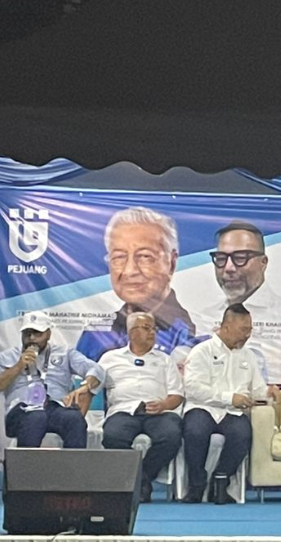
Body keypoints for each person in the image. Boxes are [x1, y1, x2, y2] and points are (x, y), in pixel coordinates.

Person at [189, 221, 281, 385]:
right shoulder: (203, 318)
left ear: (263, 263)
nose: (229, 268)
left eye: (240, 258)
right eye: (221, 258)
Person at [77, 206, 196, 360]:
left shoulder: (194, 332)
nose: (129, 270)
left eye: (145, 256)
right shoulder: (94, 334)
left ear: (171, 263)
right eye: (119, 257)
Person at [181, 303, 266, 503]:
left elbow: (257, 389)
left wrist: (269, 393)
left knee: (242, 435)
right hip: (203, 407)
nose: (247, 335)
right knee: (195, 431)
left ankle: (221, 481)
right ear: (226, 327)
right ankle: (196, 485)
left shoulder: (248, 356)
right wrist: (229, 398)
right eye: (243, 330)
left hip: (233, 413)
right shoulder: (201, 351)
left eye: (250, 330)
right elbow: (193, 388)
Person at [98, 311, 184, 502]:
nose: (152, 333)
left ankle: (139, 479)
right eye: (146, 328)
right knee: (113, 437)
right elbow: (93, 383)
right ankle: (141, 482)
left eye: (153, 329)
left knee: (171, 436)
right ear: (131, 333)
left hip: (159, 412)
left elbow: (177, 395)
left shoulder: (165, 360)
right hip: (123, 411)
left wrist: (163, 405)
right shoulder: (109, 358)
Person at [0, 311, 104, 448]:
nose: (31, 338)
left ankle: (74, 468)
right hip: (21, 410)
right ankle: (26, 468)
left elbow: (96, 370)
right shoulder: (8, 356)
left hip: (55, 407)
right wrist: (19, 366)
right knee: (36, 417)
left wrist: (85, 386)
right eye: (27, 333)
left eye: (37, 333)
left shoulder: (65, 353)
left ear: (48, 334)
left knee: (74, 419)